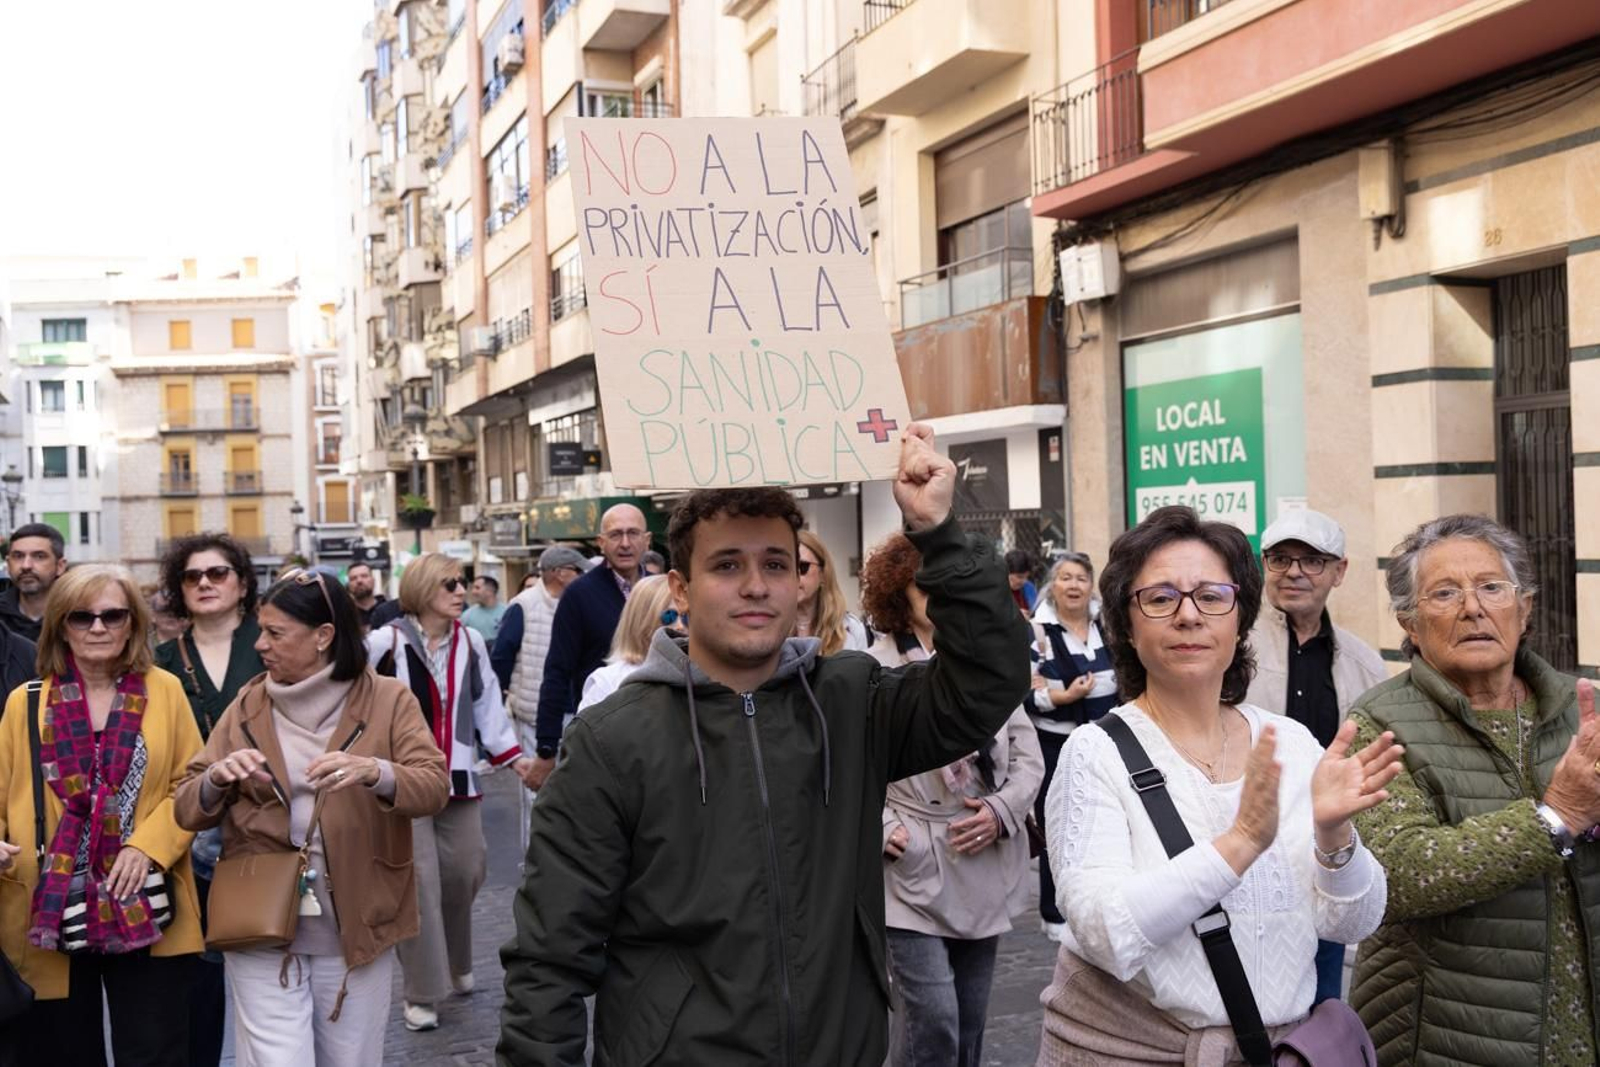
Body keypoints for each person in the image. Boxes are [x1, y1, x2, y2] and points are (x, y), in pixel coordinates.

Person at [498, 423, 1033, 1065]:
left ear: (799, 581)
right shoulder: (612, 742)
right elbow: (549, 959)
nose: (756, 585)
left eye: (775, 564)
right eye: (727, 565)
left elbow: (986, 683)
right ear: (680, 589)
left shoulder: (854, 700)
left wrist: (938, 533)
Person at [1037, 505, 1402, 1063]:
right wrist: (1240, 842)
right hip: (1135, 1051)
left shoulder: (1291, 744)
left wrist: (1335, 837)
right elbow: (1104, 932)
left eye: (1212, 596)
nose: (1189, 616)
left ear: (1240, 618)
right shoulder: (1095, 753)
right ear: (1126, 627)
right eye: (1160, 598)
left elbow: (1352, 920)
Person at [1347, 515, 1600, 1065]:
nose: (1473, 607)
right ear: (1410, 624)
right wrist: (1555, 816)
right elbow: (1399, 875)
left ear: (1524, 609)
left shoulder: (1580, 711)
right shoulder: (1375, 726)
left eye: (1491, 587)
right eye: (1444, 593)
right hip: (1450, 1033)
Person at [174, 568, 450, 1066]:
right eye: (261, 630)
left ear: (324, 636)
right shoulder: (248, 703)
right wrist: (217, 777)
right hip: (257, 920)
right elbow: (186, 806)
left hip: (357, 922)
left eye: (276, 633)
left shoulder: (388, 698)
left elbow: (433, 786)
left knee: (350, 1058)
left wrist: (375, 771)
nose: (260, 645)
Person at [0, 564, 205, 1067]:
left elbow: (192, 784)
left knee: (155, 1051)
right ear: (59, 625)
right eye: (81, 616)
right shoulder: (25, 702)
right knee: (63, 1053)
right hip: (48, 905)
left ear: (133, 622)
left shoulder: (166, 691)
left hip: (145, 899)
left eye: (113, 615)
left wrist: (147, 847)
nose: (98, 627)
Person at [862, 532, 1043, 1066]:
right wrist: (884, 826)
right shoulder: (871, 670)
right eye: (926, 591)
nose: (940, 605)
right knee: (932, 1018)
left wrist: (1000, 810)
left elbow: (1029, 756)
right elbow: (846, 764)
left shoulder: (987, 673)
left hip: (981, 855)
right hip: (909, 866)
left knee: (968, 1021)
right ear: (900, 597)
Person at [366, 552, 537, 1033]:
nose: (461, 591)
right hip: (402, 780)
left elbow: (486, 705)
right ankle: (422, 992)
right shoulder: (385, 642)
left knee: (465, 870)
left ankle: (457, 960)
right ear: (422, 590)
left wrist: (513, 758)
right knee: (418, 883)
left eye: (461, 583)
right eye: (450, 584)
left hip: (458, 776)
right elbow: (351, 693)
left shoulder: (472, 642)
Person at [1243, 508, 1386, 1004]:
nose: (1295, 572)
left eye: (1312, 560)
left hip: (1318, 860)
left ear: (1339, 571)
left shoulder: (1363, 663)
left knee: (1321, 1008)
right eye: (1280, 559)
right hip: (1241, 858)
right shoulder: (1232, 650)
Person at [151, 533, 264, 1067]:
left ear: (242, 583)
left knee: (270, 970)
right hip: (188, 828)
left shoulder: (274, 641)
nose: (204, 583)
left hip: (269, 825)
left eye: (217, 573)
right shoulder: (159, 661)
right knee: (198, 974)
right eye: (192, 576)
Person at [527, 503, 651, 791]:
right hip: (601, 731)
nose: (625, 543)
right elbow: (557, 670)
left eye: (633, 533)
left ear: (647, 540)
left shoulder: (664, 590)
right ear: (601, 543)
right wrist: (546, 747)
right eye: (615, 534)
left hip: (657, 728)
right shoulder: (579, 594)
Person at [1028, 552, 1117, 942]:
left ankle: (1100, 904)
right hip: (1054, 744)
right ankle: (1056, 914)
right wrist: (1063, 697)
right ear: (1053, 585)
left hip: (1106, 742)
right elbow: (1026, 693)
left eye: (1081, 578)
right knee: (1057, 829)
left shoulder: (1107, 627)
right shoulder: (1038, 633)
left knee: (1104, 822)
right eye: (1065, 578)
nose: (1074, 585)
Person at [490, 546, 591, 847]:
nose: (583, 576)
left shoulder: (578, 604)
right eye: (578, 570)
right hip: (534, 713)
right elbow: (502, 659)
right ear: (560, 573)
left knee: (577, 797)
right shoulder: (523, 606)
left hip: (578, 713)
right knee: (538, 797)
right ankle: (534, 868)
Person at [575, 575, 677, 713]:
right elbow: (584, 734)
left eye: (687, 615)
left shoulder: (703, 675)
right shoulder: (608, 682)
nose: (681, 625)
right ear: (642, 619)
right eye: (670, 616)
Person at [794, 529, 871, 654]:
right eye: (786, 567)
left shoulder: (850, 629)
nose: (795, 576)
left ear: (823, 573)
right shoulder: (771, 627)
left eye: (803, 567)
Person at [0, 522, 68, 642]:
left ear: (60, 566)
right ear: (8, 563)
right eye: (18, 556)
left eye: (39, 556)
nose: (26, 566)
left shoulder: (79, 616)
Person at [344, 562, 388, 631]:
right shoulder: (344, 614)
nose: (359, 581)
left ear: (373, 580)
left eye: (364, 576)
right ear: (348, 584)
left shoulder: (388, 610)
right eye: (353, 578)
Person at [462, 575, 506, 643]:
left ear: (490, 590)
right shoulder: (467, 615)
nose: (473, 592)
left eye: (477, 588)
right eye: (473, 588)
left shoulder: (507, 612)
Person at [1006, 548, 1037, 616]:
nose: (1024, 581)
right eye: (1019, 577)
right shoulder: (994, 590)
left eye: (1027, 577)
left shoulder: (1029, 588)